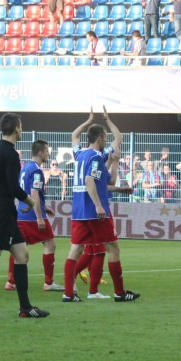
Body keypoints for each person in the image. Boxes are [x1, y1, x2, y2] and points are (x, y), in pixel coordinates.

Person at [0, 113, 48, 319]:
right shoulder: (11, 153)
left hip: (2, 210)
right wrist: (31, 202)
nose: (22, 129)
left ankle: (25, 308)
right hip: (1, 211)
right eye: (21, 126)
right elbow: (13, 188)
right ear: (16, 129)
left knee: (22, 255)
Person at [62, 107, 140, 303]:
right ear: (99, 139)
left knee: (76, 250)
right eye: (104, 138)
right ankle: (119, 293)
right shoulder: (97, 157)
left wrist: (89, 122)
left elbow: (74, 135)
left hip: (79, 210)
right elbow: (90, 180)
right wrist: (98, 206)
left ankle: (68, 294)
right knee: (112, 248)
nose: (106, 140)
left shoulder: (79, 154)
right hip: (95, 212)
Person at [5, 139, 63, 292]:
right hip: (32, 217)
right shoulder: (37, 171)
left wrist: (44, 207)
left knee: (17, 247)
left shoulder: (25, 167)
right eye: (47, 151)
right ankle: (49, 283)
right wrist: (39, 217)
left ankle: (11, 281)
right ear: (40, 152)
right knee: (50, 244)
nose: (48, 154)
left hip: (21, 214)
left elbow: (25, 191)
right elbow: (34, 193)